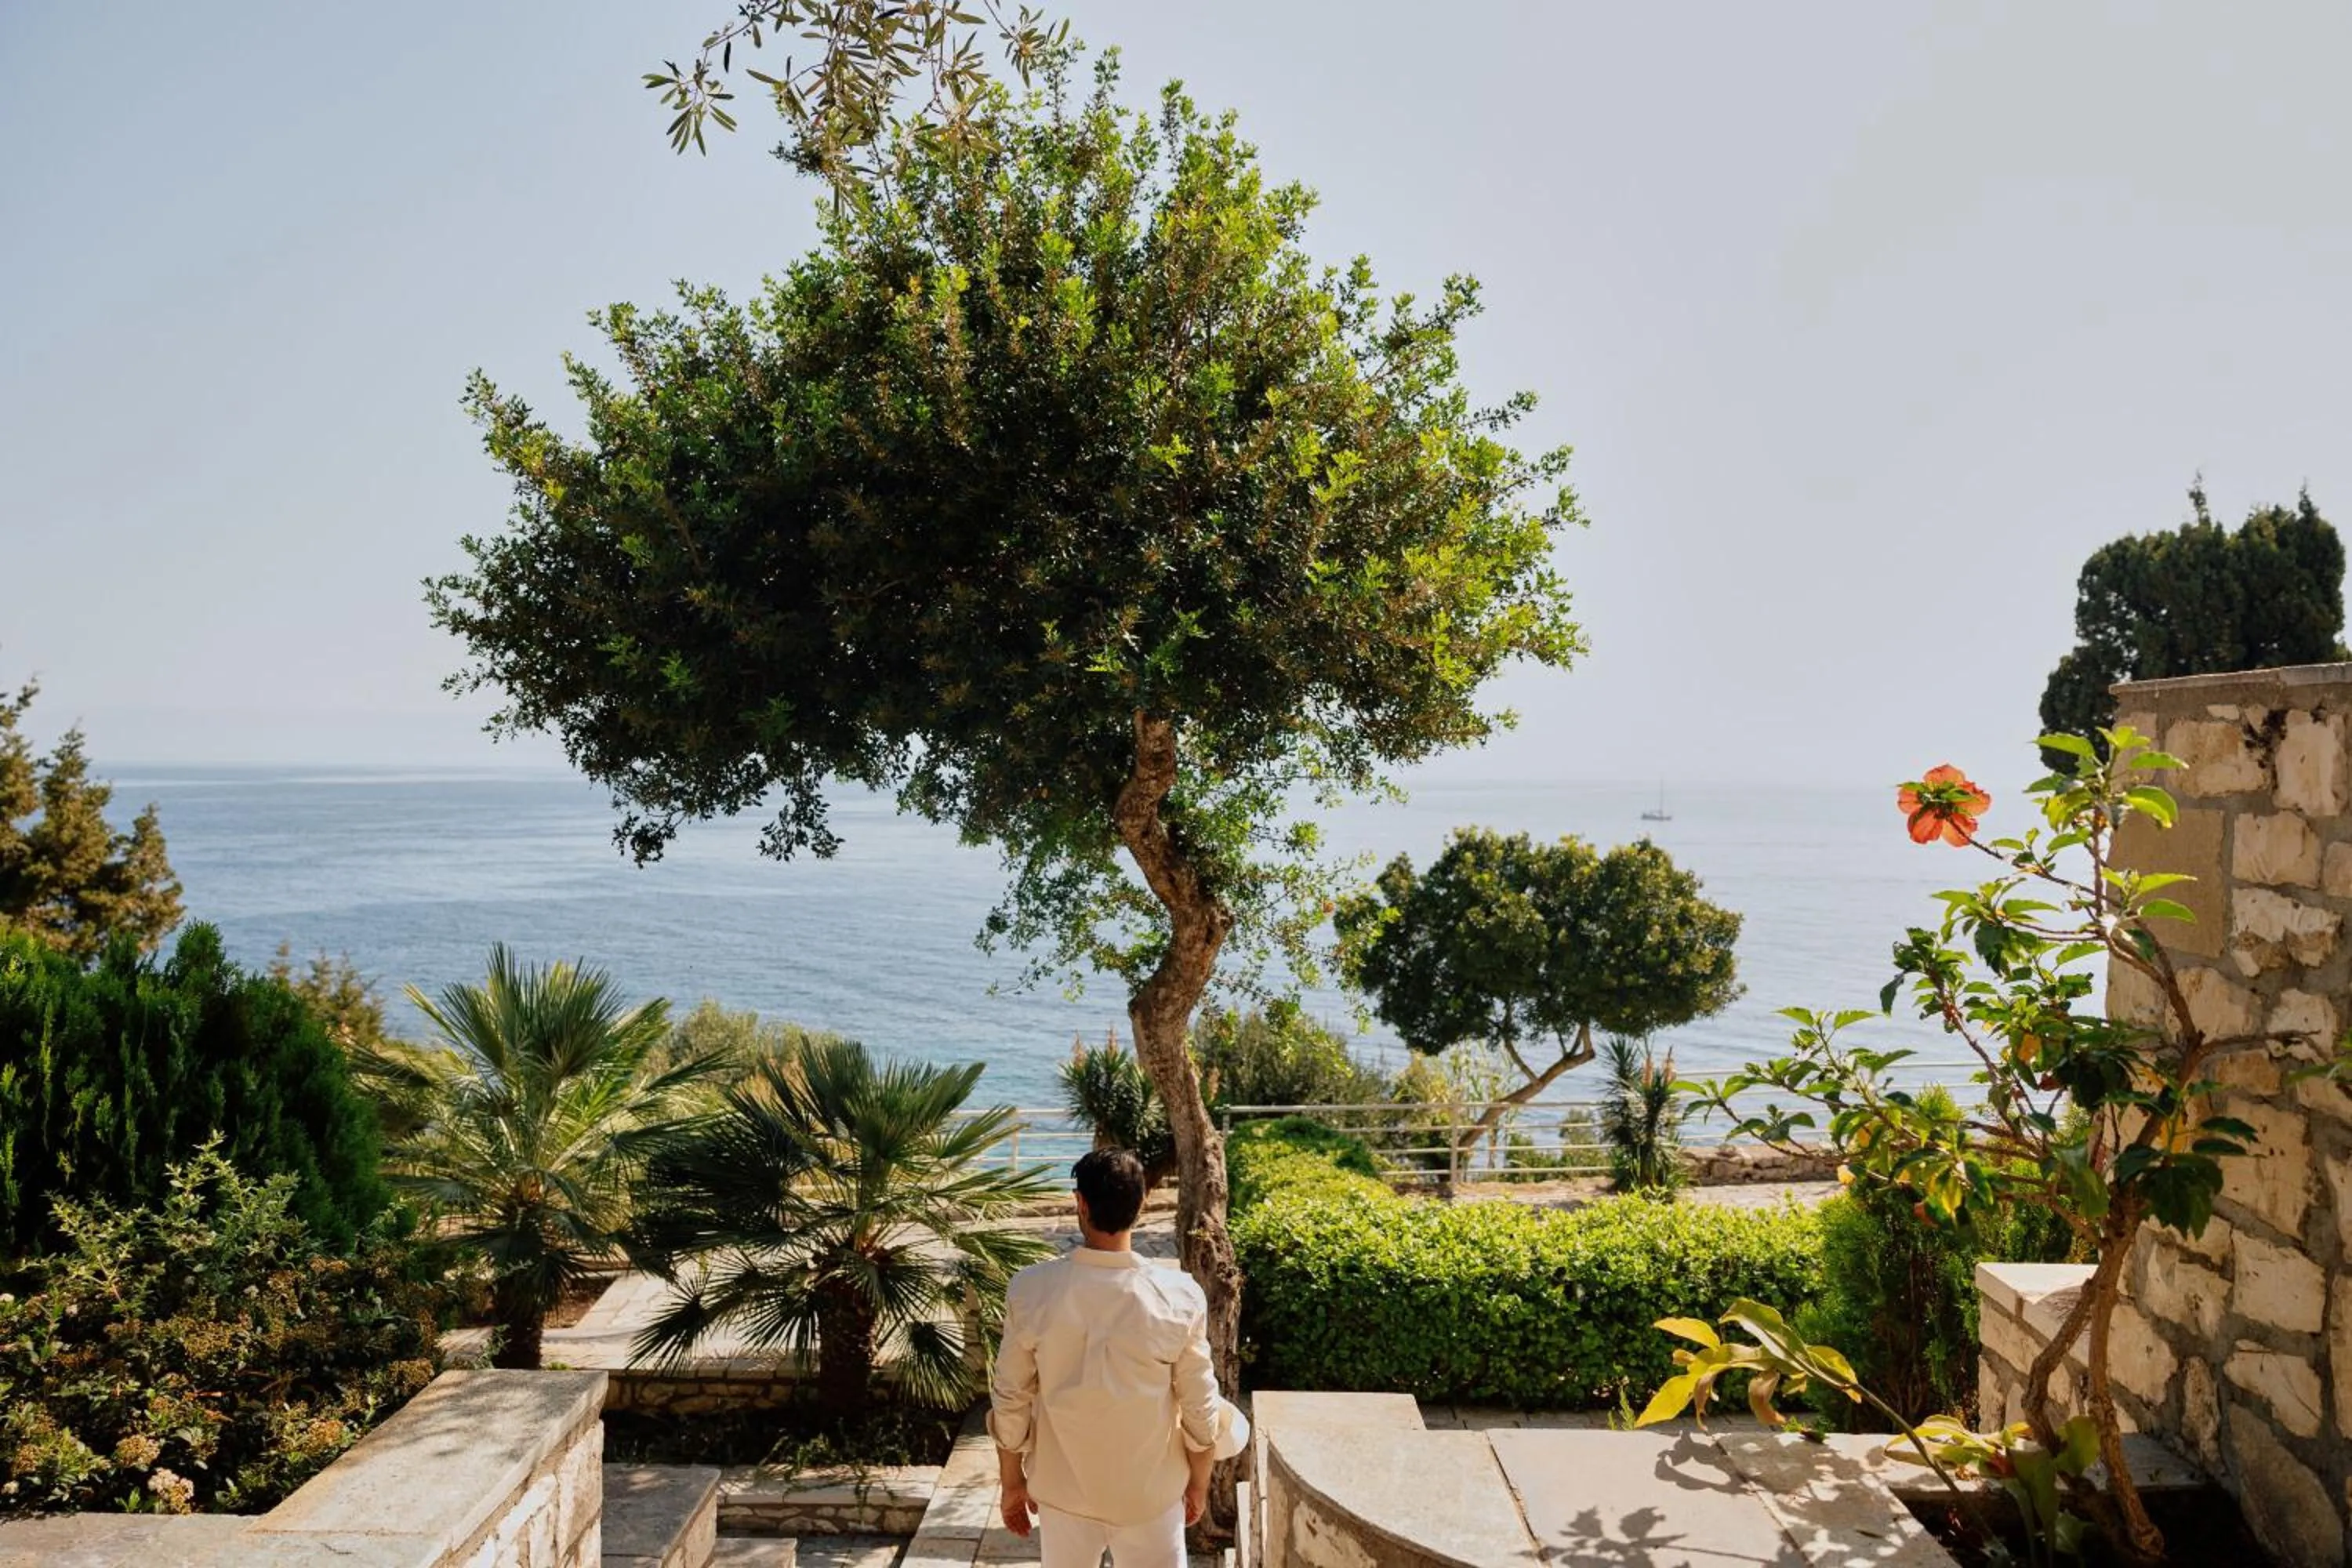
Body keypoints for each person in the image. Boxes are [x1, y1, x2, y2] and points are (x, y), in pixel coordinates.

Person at [989, 1147, 1247, 1568]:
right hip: (1150, 1496)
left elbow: (1011, 1395)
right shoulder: (1178, 1295)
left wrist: (1012, 1481)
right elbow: (1200, 1405)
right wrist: (1198, 1482)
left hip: (1063, 1492)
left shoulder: (1032, 1290)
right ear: (1141, 1205)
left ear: (1081, 1204)